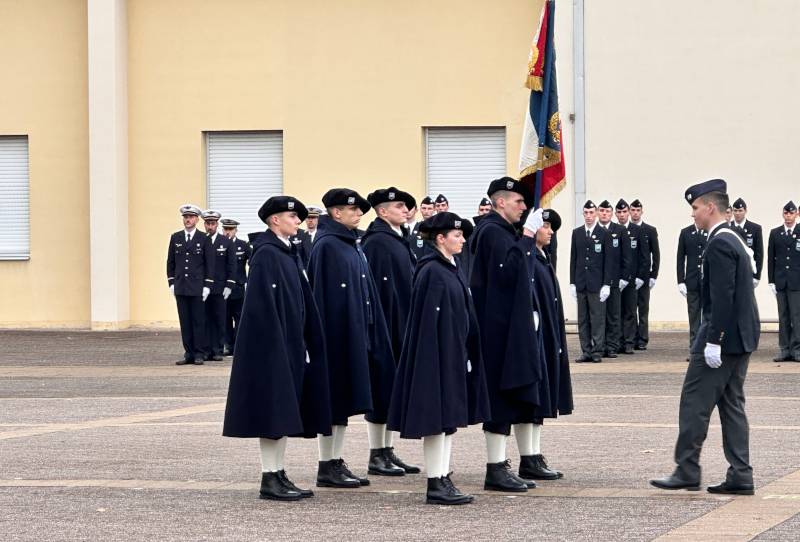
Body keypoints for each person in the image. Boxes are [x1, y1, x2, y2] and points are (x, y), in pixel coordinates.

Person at [651, 178, 759, 495]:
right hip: (740, 338)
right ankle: (741, 474)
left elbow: (723, 297)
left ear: (711, 208)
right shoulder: (734, 237)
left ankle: (687, 468)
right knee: (731, 406)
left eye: (696, 207)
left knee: (693, 402)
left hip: (722, 339)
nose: (693, 214)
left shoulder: (720, 242)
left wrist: (714, 340)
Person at [222, 196, 332, 501]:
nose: (298, 221)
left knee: (283, 412)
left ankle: (278, 472)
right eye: (292, 217)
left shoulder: (287, 251)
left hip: (290, 345)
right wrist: (278, 346)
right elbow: (262, 309)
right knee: (272, 412)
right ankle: (269, 476)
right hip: (272, 348)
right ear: (275, 220)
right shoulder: (267, 254)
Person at [387, 212, 491, 505]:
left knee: (449, 419)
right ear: (441, 239)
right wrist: (434, 359)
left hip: (454, 353)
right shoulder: (432, 270)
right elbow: (427, 323)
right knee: (437, 419)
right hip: (436, 356)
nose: (462, 240)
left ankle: (443, 476)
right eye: (457, 235)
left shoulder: (451, 267)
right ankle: (435, 481)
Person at [307, 188, 398, 486]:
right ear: (336, 213)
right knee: (334, 400)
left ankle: (336, 460)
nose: (359, 214)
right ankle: (327, 464)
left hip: (357, 331)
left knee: (344, 400)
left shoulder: (351, 243)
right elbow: (321, 296)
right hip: (335, 335)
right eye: (353, 209)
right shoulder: (327, 245)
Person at [469, 176, 551, 493]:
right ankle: (495, 467)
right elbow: (509, 273)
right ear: (500, 202)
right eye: (518, 201)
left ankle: (508, 463)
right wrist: (528, 236)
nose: (523, 207)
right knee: (499, 399)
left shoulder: (503, 232)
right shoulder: (492, 232)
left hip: (508, 326)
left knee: (512, 395)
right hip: (496, 328)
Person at [361, 187, 421, 474]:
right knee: (381, 387)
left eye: (406, 206)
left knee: (392, 388)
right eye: (398, 206)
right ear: (382, 211)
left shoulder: (398, 238)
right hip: (385, 324)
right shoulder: (376, 241)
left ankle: (387, 450)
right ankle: (377, 453)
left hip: (402, 322)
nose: (405, 210)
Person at [528, 208, 573, 478]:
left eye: (551, 228)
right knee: (534, 400)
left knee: (544, 397)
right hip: (537, 337)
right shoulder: (530, 259)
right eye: (545, 226)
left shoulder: (542, 257)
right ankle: (529, 457)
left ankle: (534, 454)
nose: (550, 231)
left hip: (548, 336)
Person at [166, 204, 214, 365]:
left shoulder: (204, 238)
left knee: (198, 321)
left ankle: (199, 353)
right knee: (185, 322)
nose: (188, 220)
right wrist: (171, 282)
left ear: (197, 220)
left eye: (191, 217)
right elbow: (170, 262)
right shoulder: (176, 237)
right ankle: (189, 353)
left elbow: (210, 264)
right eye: (186, 217)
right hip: (181, 286)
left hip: (198, 287)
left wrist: (207, 285)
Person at [570, 200, 612, 363]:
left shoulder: (604, 233)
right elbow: (574, 259)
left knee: (597, 319)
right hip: (581, 282)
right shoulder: (577, 233)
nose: (588, 216)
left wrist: (607, 284)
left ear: (596, 214)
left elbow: (609, 261)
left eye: (591, 213)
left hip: (597, 284)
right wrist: (572, 282)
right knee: (583, 319)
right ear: (583, 214)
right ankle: (586, 351)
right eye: (586, 213)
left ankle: (597, 351)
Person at [597, 200, 631, 359]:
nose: (604, 214)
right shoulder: (595, 230)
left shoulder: (620, 230)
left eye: (607, 211)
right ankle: (600, 345)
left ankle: (611, 346)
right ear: (598, 213)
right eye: (602, 211)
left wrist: (625, 277)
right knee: (599, 315)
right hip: (598, 281)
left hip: (615, 279)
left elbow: (627, 256)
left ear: (612, 214)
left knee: (613, 315)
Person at [767, 201, 800, 362]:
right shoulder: (775, 233)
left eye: (791, 213)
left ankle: (797, 349)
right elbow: (771, 258)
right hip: (780, 281)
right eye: (786, 213)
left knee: (796, 316)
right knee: (783, 316)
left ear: (796, 214)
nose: (788, 216)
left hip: (796, 282)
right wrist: (771, 280)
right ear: (782, 214)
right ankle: (784, 349)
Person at [201, 210, 236, 361]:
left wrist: (229, 284)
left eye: (213, 223)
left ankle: (218, 349)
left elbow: (232, 265)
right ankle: (206, 349)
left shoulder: (225, 241)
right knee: (204, 319)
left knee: (219, 319)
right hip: (202, 288)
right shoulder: (201, 240)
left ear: (217, 225)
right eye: (208, 223)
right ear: (204, 225)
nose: (210, 226)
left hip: (220, 287)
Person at [616, 199, 649, 355]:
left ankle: (629, 342)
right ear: (616, 214)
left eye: (624, 212)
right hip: (616, 278)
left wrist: (641, 276)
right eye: (619, 212)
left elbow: (644, 256)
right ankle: (619, 341)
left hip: (632, 278)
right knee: (617, 312)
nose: (622, 215)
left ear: (628, 212)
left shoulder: (637, 230)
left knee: (630, 311)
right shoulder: (613, 230)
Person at [630, 199, 660, 350]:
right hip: (629, 276)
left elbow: (656, 254)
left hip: (644, 276)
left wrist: (653, 275)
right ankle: (632, 337)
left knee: (643, 309)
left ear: (642, 211)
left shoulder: (650, 230)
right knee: (630, 309)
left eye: (638, 210)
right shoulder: (625, 229)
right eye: (633, 210)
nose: (635, 213)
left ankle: (642, 339)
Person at [676, 221, 708, 359]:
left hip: (707, 280)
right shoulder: (686, 232)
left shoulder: (710, 231)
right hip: (692, 280)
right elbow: (680, 258)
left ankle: (707, 347)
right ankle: (695, 349)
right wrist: (680, 280)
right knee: (694, 316)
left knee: (707, 315)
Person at [220, 218, 251, 356]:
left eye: (230, 229)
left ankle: (238, 345)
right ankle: (229, 346)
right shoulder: (218, 244)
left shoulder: (243, 245)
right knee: (225, 318)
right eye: (226, 229)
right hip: (223, 287)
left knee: (239, 318)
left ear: (236, 230)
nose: (228, 232)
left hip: (238, 287)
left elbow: (253, 261)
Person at [731, 198, 764, 287]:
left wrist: (756, 276)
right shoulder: (727, 227)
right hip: (731, 273)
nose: (737, 213)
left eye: (740, 211)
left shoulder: (755, 228)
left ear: (745, 211)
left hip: (748, 272)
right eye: (735, 211)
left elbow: (759, 254)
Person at [409, 196, 435, 260]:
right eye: (424, 208)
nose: (426, 211)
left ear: (434, 210)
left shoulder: (438, 227)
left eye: (429, 208)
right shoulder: (416, 227)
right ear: (420, 209)